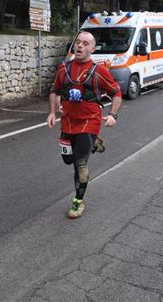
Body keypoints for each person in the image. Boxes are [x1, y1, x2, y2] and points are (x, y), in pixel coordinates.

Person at [47, 31, 122, 219]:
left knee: (80, 164)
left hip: (90, 121)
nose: (80, 46)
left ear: (92, 48)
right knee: (67, 160)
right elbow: (55, 90)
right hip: (68, 122)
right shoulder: (63, 69)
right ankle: (93, 142)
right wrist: (52, 111)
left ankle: (78, 202)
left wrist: (113, 115)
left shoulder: (99, 72)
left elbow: (116, 93)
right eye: (78, 42)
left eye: (85, 43)